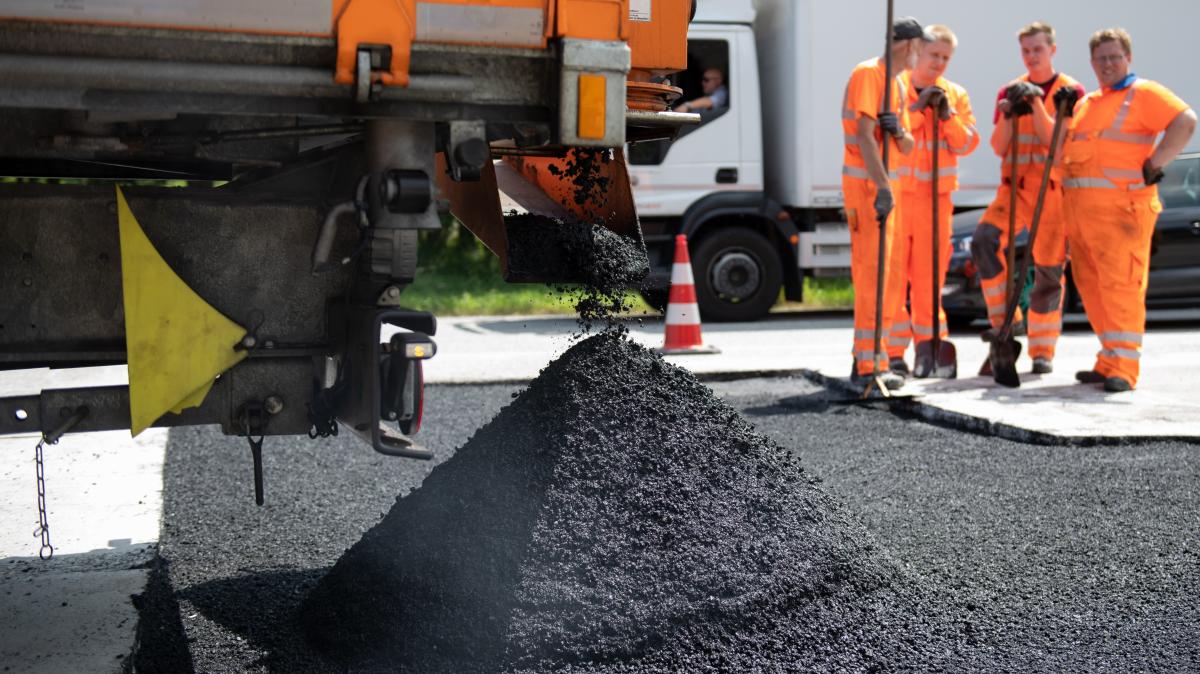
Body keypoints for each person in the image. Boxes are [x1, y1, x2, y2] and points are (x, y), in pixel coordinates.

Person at [1059, 27, 1196, 391]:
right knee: (1092, 289)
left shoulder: (1144, 93)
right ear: (1091, 62)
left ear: (1128, 58)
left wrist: (1157, 163)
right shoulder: (1088, 103)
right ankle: (1108, 359)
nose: (1107, 64)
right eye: (1101, 58)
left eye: (1114, 57)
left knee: (1121, 289)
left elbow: (1185, 121)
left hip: (1123, 213)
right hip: (1084, 219)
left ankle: (1124, 368)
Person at [969, 22, 1085, 375]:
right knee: (983, 242)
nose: (1032, 56)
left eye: (1038, 49)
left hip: (1050, 194)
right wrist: (1007, 111)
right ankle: (1007, 324)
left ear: (1053, 50)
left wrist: (1036, 103)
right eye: (1026, 51)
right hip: (1014, 191)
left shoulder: (1071, 91)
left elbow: (1056, 143)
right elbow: (999, 146)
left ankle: (1042, 351)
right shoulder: (1010, 89)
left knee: (1049, 272)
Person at [887, 24, 980, 375]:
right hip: (901, 200)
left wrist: (947, 116)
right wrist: (916, 107)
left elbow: (968, 142)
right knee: (895, 281)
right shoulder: (898, 87)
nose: (939, 62)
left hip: (936, 203)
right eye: (934, 55)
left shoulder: (955, 95)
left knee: (929, 282)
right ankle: (894, 353)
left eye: (946, 57)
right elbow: (893, 132)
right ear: (919, 53)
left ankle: (931, 349)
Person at [841, 17, 921, 389]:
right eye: (919, 47)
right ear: (909, 45)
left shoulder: (900, 83)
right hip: (870, 191)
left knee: (888, 280)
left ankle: (879, 357)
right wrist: (882, 187)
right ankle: (866, 363)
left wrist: (898, 130)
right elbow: (864, 137)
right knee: (872, 275)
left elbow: (906, 145)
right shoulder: (870, 74)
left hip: (890, 190)